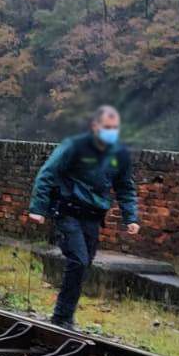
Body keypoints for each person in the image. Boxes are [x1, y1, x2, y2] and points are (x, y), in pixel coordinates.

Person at [27, 105, 139, 330]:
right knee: (77, 259)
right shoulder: (74, 147)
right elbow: (47, 174)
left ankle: (65, 314)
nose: (111, 132)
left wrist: (131, 218)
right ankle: (62, 317)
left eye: (115, 128)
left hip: (93, 216)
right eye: (107, 127)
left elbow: (125, 187)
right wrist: (38, 208)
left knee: (85, 262)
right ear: (94, 126)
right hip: (67, 211)